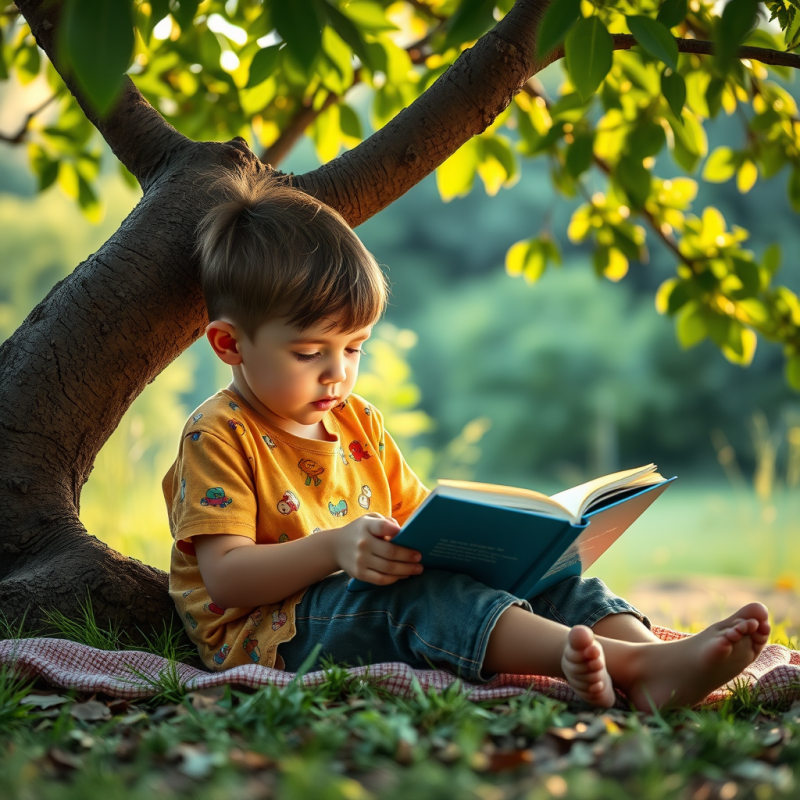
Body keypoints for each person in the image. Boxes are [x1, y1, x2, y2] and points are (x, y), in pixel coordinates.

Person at [163, 171, 770, 710]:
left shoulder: (356, 422)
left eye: (353, 348)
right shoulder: (219, 433)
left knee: (554, 578)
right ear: (229, 345)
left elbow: (416, 515)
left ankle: (653, 657)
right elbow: (228, 579)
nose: (337, 373)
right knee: (427, 599)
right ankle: (635, 667)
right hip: (278, 634)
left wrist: (502, 545)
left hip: (358, 596)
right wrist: (335, 549)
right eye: (308, 353)